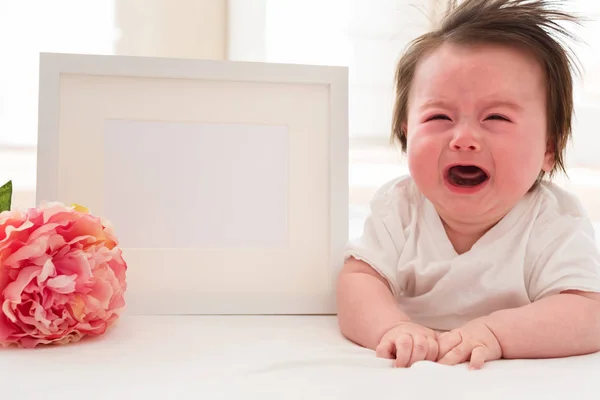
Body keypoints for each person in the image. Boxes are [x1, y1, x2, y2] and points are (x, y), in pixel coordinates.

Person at [336, 0, 600, 370]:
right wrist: (392, 327)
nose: (463, 138)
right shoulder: (399, 207)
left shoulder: (554, 223)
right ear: (406, 132)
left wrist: (497, 332)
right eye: (439, 116)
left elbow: (588, 313)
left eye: (495, 117)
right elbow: (358, 281)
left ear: (548, 148)